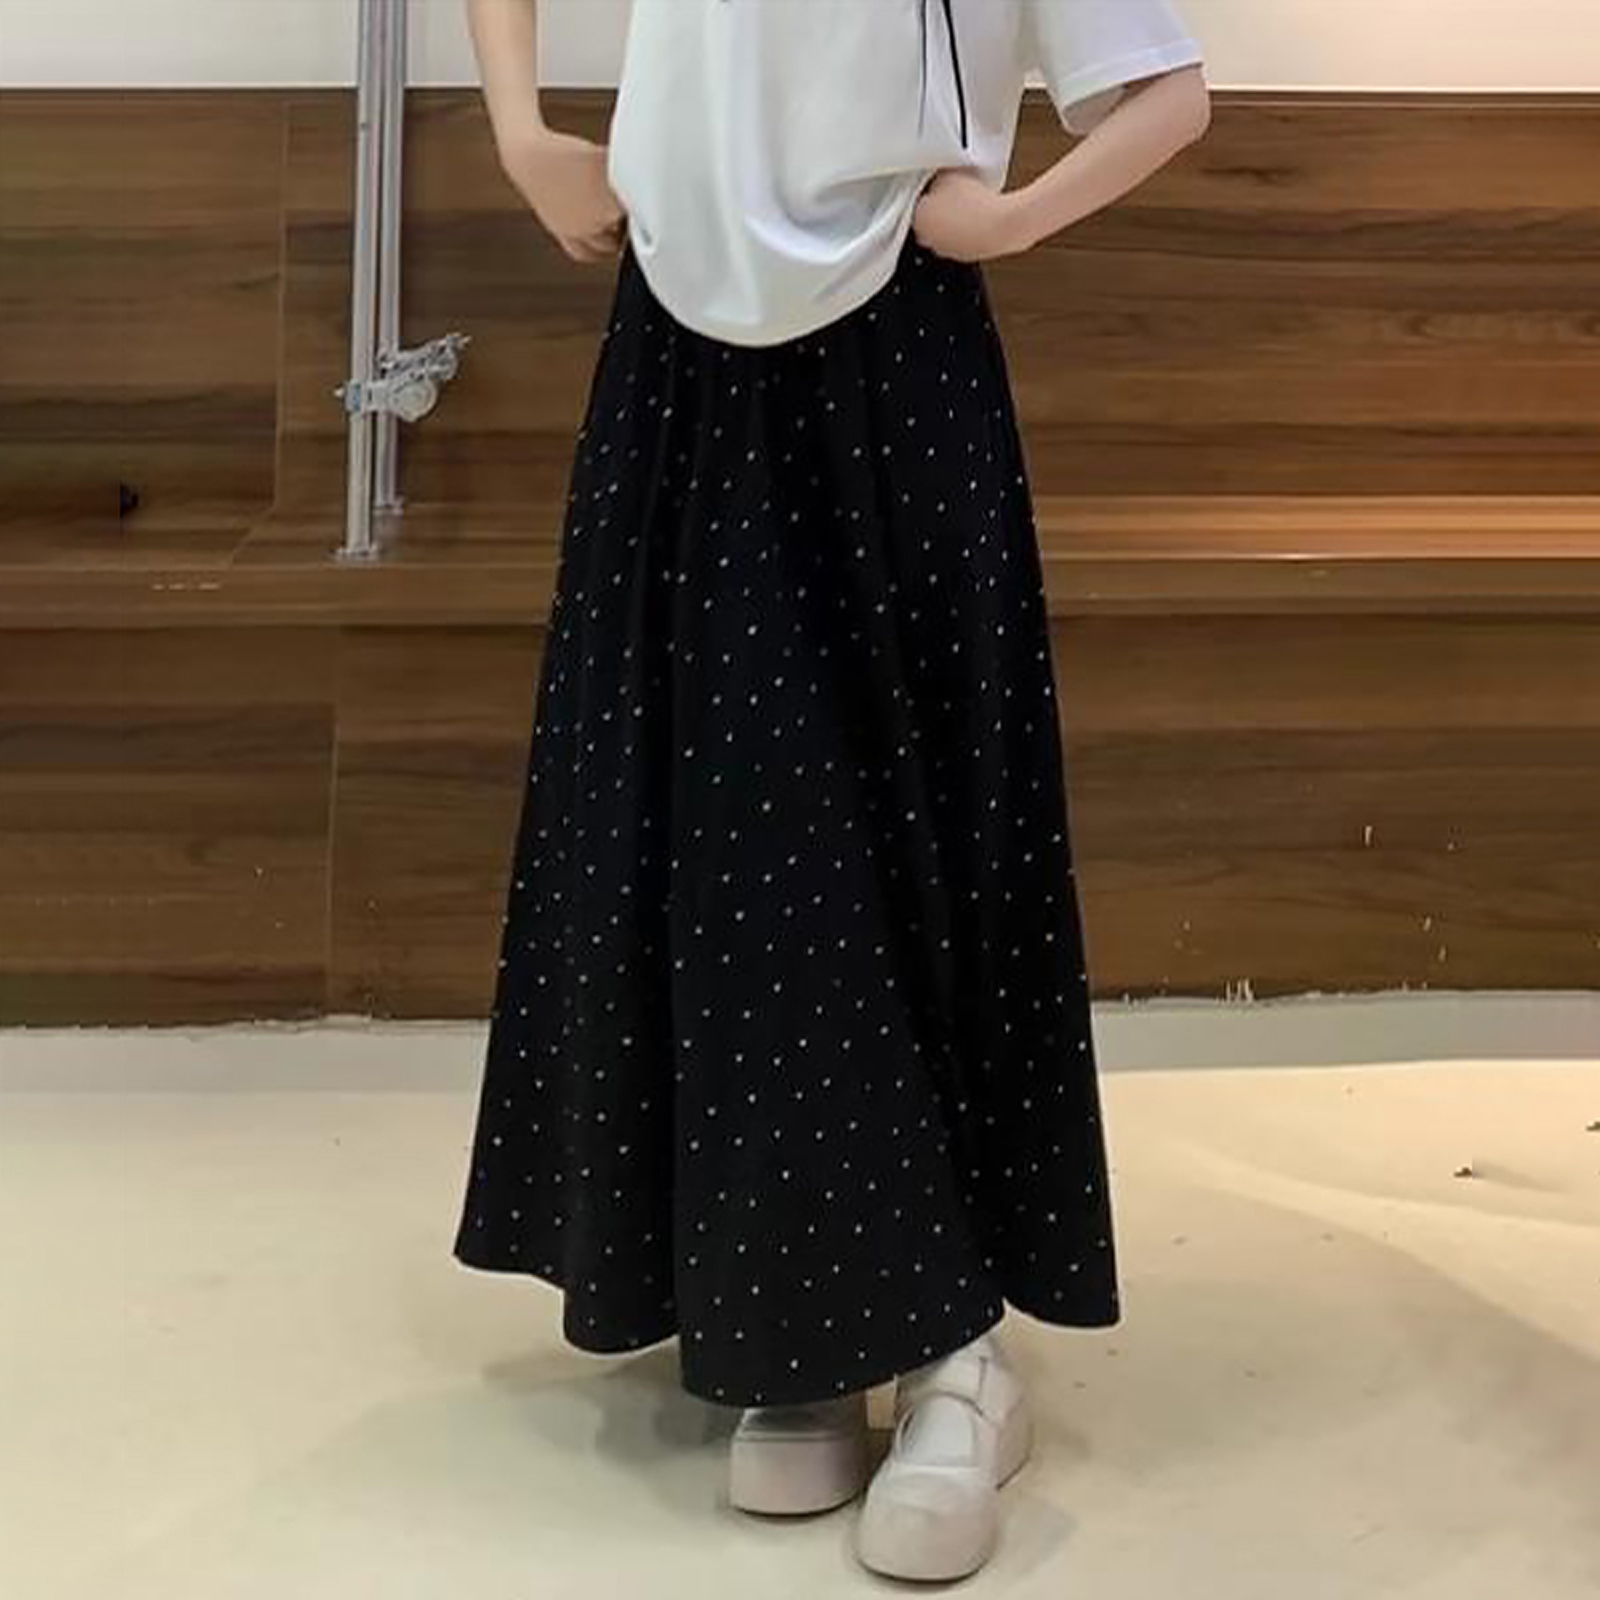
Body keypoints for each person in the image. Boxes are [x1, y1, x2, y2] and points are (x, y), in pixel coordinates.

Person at [454, 0, 1210, 1580]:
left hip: (894, 354)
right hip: (677, 346)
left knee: (897, 828)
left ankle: (951, 1351)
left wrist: (1012, 218)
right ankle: (795, 1322)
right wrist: (520, 132)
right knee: (713, 831)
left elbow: (1167, 95)